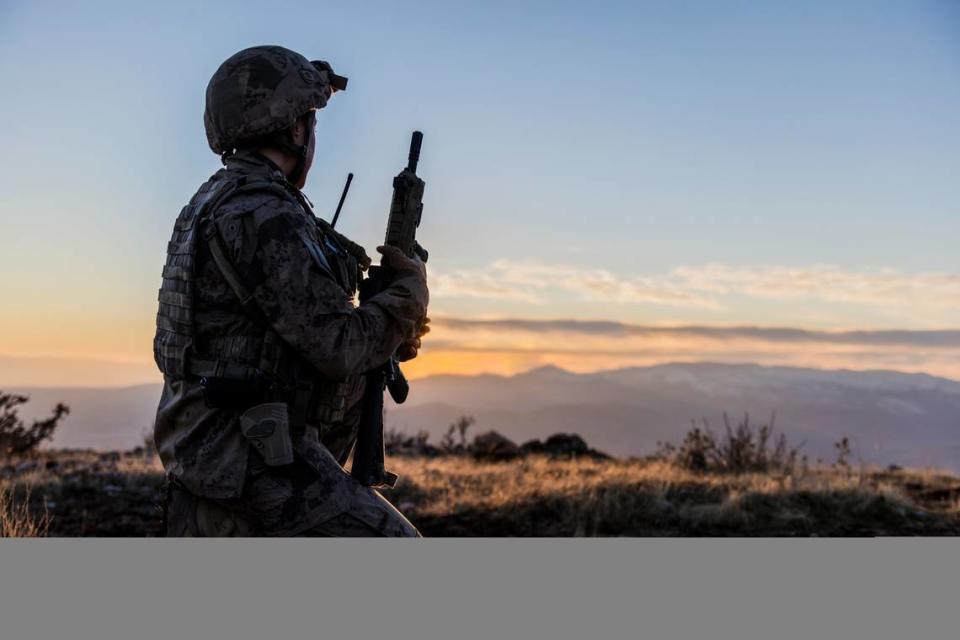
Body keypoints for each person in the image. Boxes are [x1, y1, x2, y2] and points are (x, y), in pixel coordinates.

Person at [153, 45, 429, 536]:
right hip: (247, 456)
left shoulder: (214, 199)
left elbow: (280, 333)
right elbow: (336, 346)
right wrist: (406, 301)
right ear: (297, 128)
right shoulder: (265, 213)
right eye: (311, 120)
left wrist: (384, 324)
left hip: (210, 440)